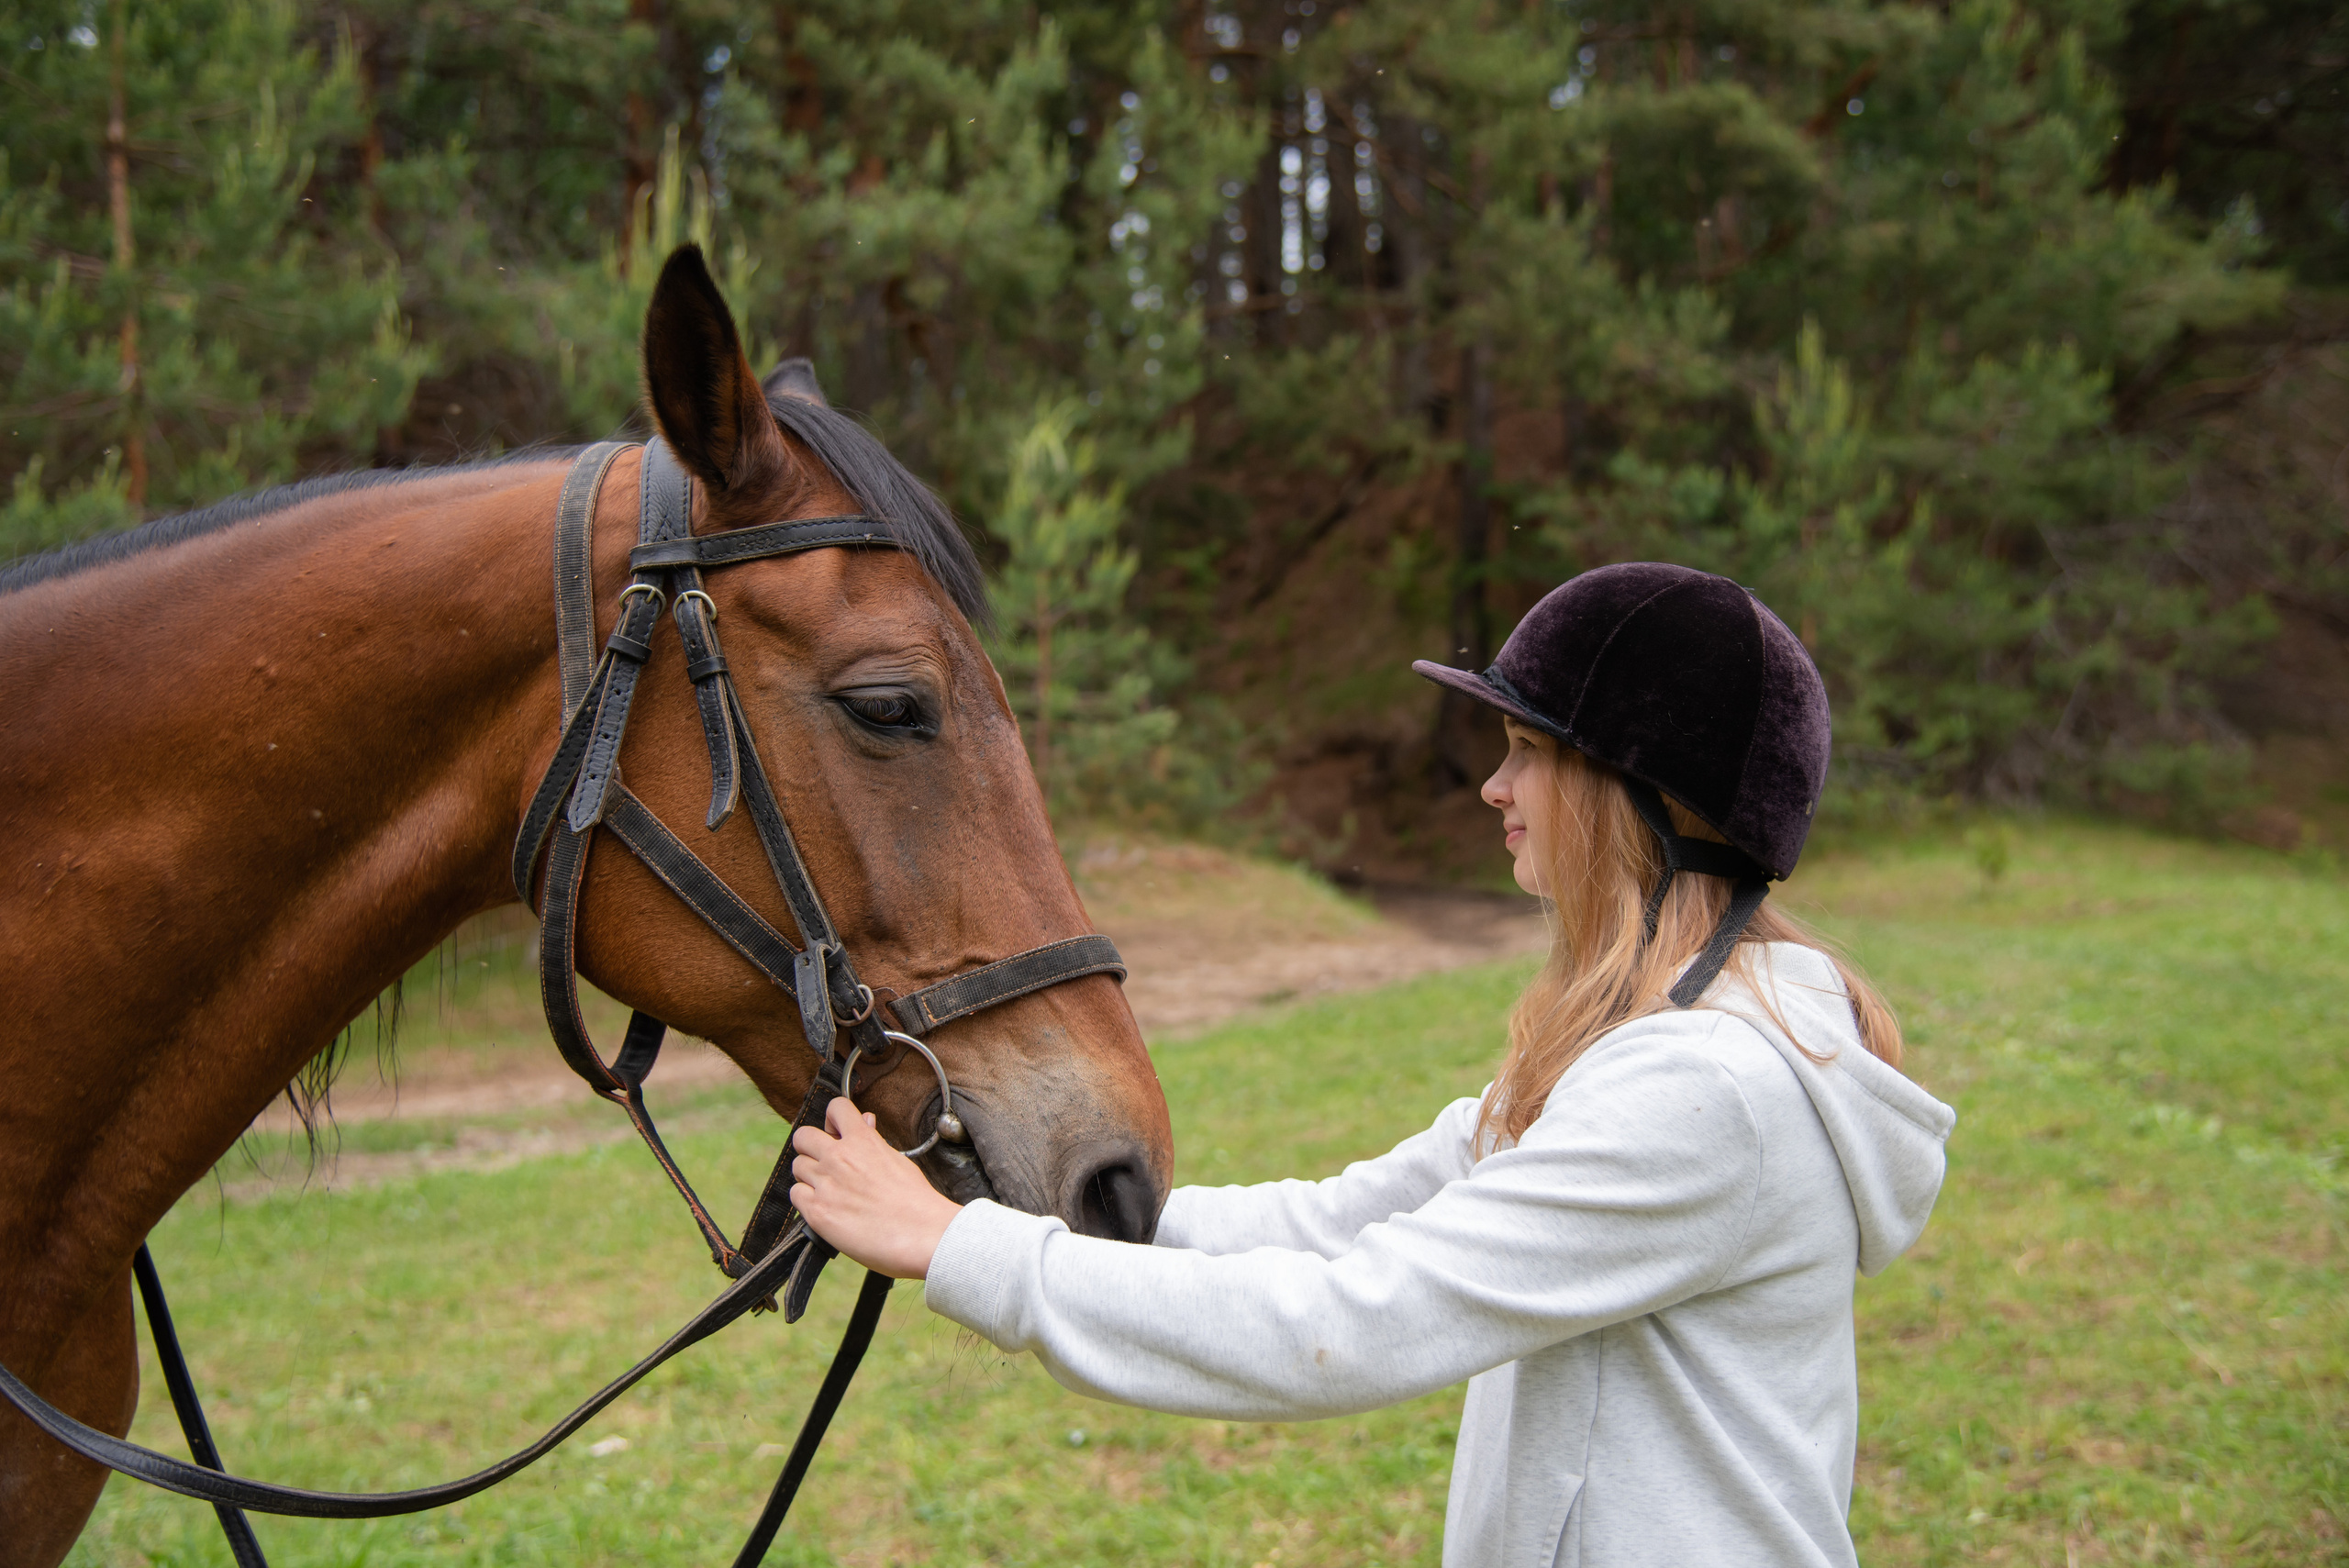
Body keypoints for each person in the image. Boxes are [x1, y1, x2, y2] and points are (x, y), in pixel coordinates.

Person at [790, 562, 1957, 1568]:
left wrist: (964, 1251)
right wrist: (1076, 1209)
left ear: (1635, 796)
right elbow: (1340, 1222)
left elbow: (1356, 1319)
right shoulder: (1633, 1045)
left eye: (1524, 752)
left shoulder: (1707, 1093)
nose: (1494, 788)